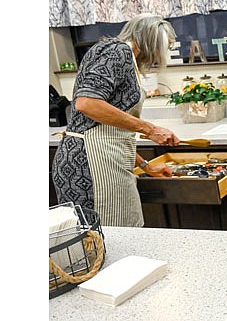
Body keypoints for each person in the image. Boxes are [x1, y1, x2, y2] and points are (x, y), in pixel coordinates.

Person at [52, 13, 181, 227]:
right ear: (149, 41)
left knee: (121, 230)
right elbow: (86, 103)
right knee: (104, 235)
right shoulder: (117, 51)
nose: (158, 57)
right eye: (161, 47)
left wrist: (146, 166)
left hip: (106, 156)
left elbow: (113, 130)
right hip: (88, 163)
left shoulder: (124, 59)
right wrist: (150, 129)